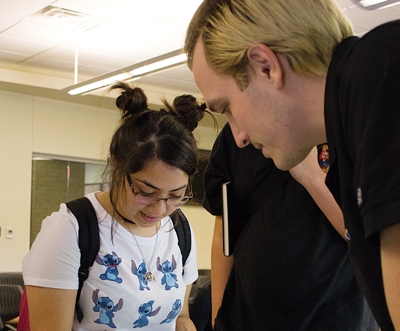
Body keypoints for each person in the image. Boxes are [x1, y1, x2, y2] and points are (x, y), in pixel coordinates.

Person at [185, 1, 400, 330]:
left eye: (227, 107)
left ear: (266, 67)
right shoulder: (351, 122)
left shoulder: (382, 75)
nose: (238, 137)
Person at [22, 82, 209, 331]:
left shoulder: (178, 228)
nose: (159, 209)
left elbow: (180, 317)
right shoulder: (71, 227)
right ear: (117, 165)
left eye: (176, 195)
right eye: (146, 192)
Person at [202, 123, 377, 330]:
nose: (241, 136)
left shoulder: (357, 124)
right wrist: (216, 319)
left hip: (338, 320)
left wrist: (313, 180)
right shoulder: (238, 133)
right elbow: (224, 237)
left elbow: (373, 240)